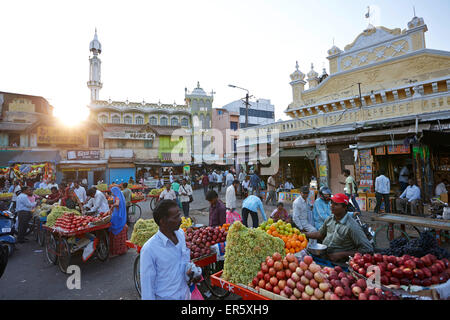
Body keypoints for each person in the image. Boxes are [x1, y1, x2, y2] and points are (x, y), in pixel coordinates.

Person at [140, 200, 202, 300]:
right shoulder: (149, 249)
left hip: (186, 295)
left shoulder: (181, 234)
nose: (181, 220)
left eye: (179, 215)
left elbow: (183, 263)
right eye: (176, 217)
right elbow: (147, 289)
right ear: (163, 221)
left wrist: (190, 272)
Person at [305, 193, 373, 262]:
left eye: (336, 204)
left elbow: (368, 249)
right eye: (331, 203)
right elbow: (320, 234)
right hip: (325, 256)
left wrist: (341, 254)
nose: (331, 206)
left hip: (340, 262)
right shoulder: (330, 219)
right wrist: (304, 234)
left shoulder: (352, 226)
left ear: (345, 207)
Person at [109, 186, 128, 256]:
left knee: (116, 229)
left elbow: (117, 203)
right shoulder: (120, 195)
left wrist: (112, 206)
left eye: (112, 192)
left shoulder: (117, 197)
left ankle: (117, 250)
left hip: (117, 216)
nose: (111, 193)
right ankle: (122, 249)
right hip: (120, 215)